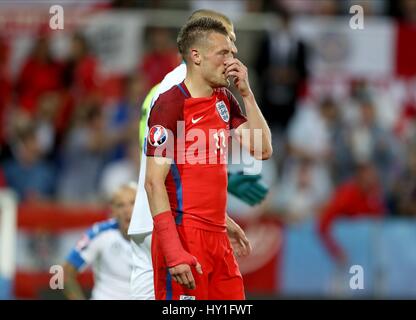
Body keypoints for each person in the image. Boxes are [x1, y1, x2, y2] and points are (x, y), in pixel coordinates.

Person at [129, 9, 269, 300]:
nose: (232, 62)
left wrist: (247, 94)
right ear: (196, 55)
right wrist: (173, 249)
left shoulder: (224, 99)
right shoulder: (170, 100)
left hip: (216, 237)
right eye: (224, 52)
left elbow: (262, 149)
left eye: (233, 52)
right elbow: (155, 182)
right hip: (180, 233)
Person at [63, 183, 136, 300]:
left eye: (133, 203)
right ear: (112, 211)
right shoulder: (99, 234)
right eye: (120, 205)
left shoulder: (156, 235)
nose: (127, 210)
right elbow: (66, 273)